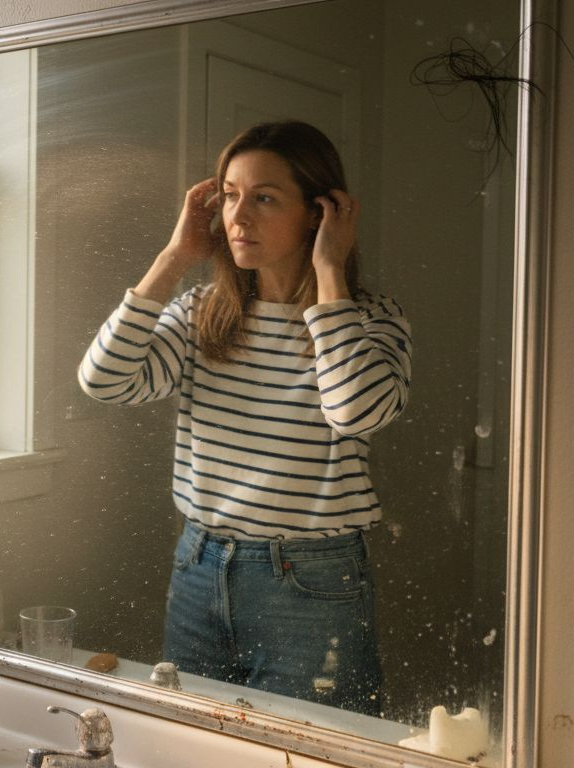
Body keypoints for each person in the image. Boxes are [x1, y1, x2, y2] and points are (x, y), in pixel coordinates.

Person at [78, 121, 411, 715]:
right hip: (200, 567)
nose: (238, 215)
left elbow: (357, 412)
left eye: (263, 197)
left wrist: (329, 274)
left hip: (311, 584)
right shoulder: (204, 312)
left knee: (312, 753)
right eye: (229, 195)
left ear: (320, 212)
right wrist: (176, 257)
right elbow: (104, 380)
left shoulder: (371, 320)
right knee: (193, 745)